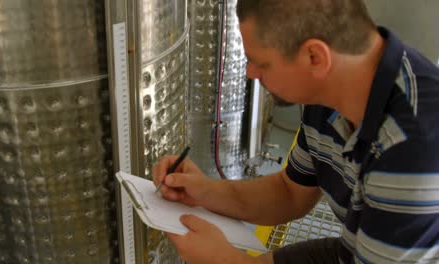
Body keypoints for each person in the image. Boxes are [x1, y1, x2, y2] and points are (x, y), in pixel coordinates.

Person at [153, 0, 439, 263]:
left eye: (262, 63)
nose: (250, 72)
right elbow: (289, 193)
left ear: (315, 56)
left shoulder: (413, 149)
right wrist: (204, 192)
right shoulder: (328, 92)